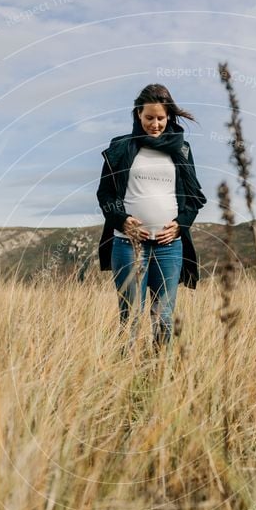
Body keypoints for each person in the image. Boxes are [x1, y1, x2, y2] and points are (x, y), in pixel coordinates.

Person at [96, 83, 207, 352]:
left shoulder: (182, 150)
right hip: (127, 246)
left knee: (164, 317)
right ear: (138, 115)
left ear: (168, 116)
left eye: (160, 118)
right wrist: (122, 220)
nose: (155, 124)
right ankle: (126, 373)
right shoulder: (121, 148)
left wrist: (181, 225)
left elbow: (194, 198)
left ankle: (161, 373)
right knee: (130, 317)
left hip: (170, 248)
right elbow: (105, 194)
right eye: (149, 118)